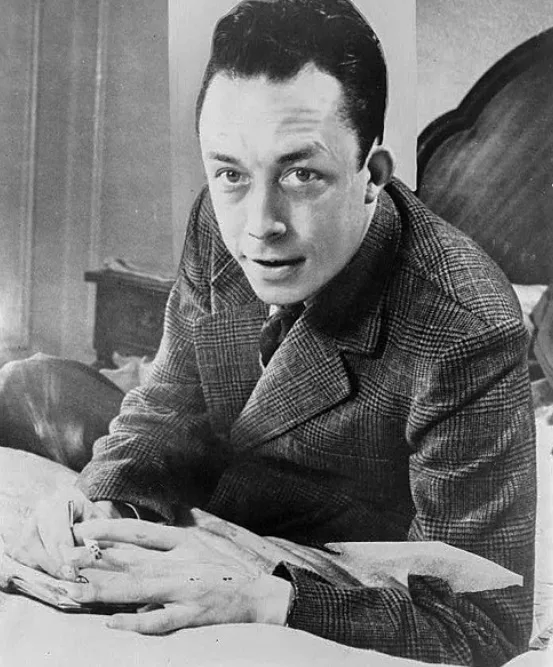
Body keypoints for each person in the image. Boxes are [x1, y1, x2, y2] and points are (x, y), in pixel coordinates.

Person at [7, 0, 536, 664]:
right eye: (230, 172)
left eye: (301, 174)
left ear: (371, 176)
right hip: (212, 490)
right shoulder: (217, 215)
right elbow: (169, 404)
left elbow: (485, 623)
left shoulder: (465, 326)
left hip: (307, 548)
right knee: (26, 385)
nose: (259, 224)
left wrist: (269, 600)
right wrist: (102, 498)